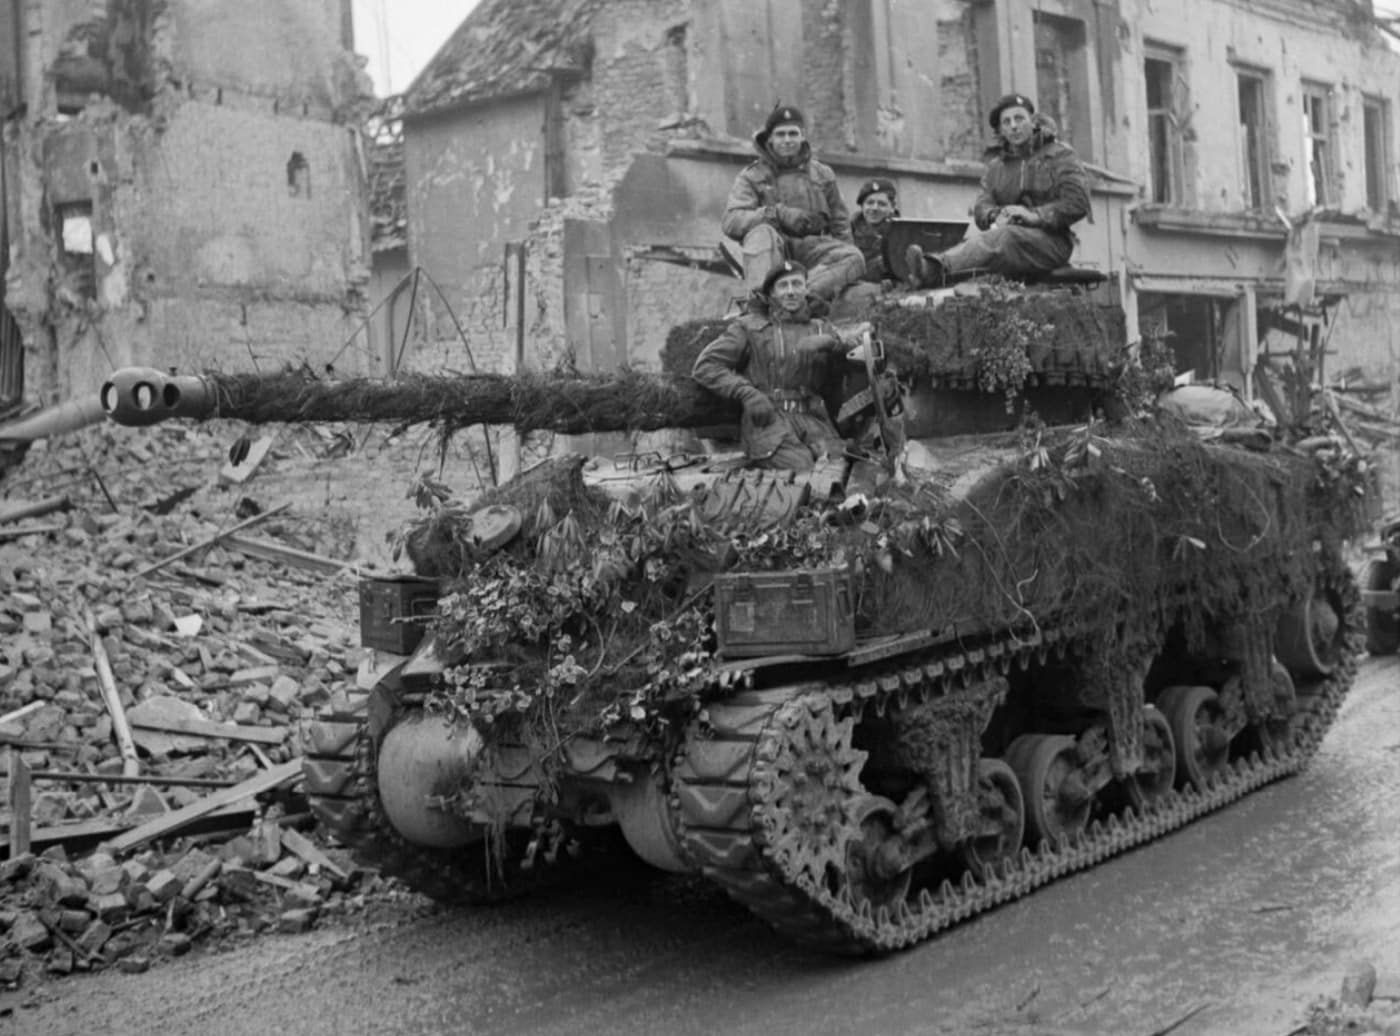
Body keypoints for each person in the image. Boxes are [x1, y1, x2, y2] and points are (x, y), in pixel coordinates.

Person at [906, 93, 1091, 287]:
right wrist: (996, 215)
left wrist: (1033, 216)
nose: (1013, 126)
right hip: (1008, 238)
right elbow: (982, 206)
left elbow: (1078, 203)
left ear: (1033, 121)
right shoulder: (997, 167)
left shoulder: (1059, 155)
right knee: (981, 244)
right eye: (1007, 122)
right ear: (1001, 130)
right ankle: (926, 274)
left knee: (1003, 238)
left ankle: (933, 270)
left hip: (1052, 242)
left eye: (1019, 118)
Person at [692, 260, 846, 472]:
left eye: (796, 284)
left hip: (813, 420)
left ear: (806, 289)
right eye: (783, 286)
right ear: (771, 293)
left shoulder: (821, 329)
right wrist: (747, 393)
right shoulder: (750, 328)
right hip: (768, 423)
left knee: (842, 466)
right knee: (801, 468)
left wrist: (836, 347)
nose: (791, 292)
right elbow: (706, 365)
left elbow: (845, 375)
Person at [721, 104, 866, 303]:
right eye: (780, 135)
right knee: (760, 234)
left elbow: (840, 224)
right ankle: (762, 303)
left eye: (793, 133)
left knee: (853, 256)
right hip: (774, 249)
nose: (787, 140)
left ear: (802, 136)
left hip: (812, 250)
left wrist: (847, 271)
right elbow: (732, 221)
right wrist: (776, 214)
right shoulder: (752, 176)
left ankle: (802, 297)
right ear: (770, 138)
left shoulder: (822, 174)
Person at [851, 178, 899, 287]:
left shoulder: (902, 231)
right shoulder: (848, 231)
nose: (874, 208)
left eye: (882, 204)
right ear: (862, 206)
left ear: (893, 207)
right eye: (870, 203)